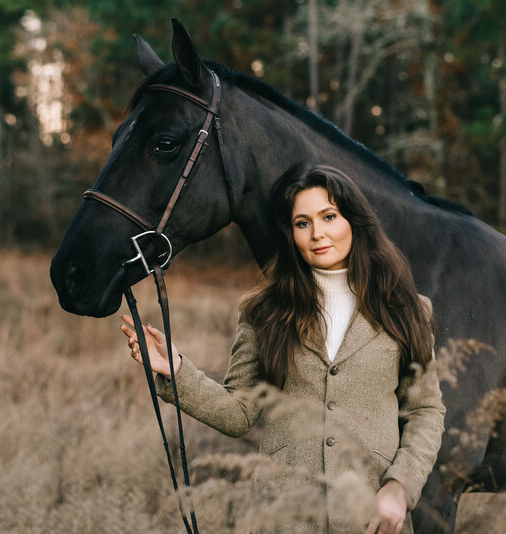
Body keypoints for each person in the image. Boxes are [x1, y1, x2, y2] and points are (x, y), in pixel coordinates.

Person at [120, 164, 445, 534]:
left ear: (354, 221)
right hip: (284, 516)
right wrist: (176, 369)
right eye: (302, 223)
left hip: (371, 515)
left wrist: (400, 487)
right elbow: (239, 412)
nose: (317, 233)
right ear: (290, 233)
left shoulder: (407, 309)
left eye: (329, 216)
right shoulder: (263, 310)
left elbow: (425, 410)